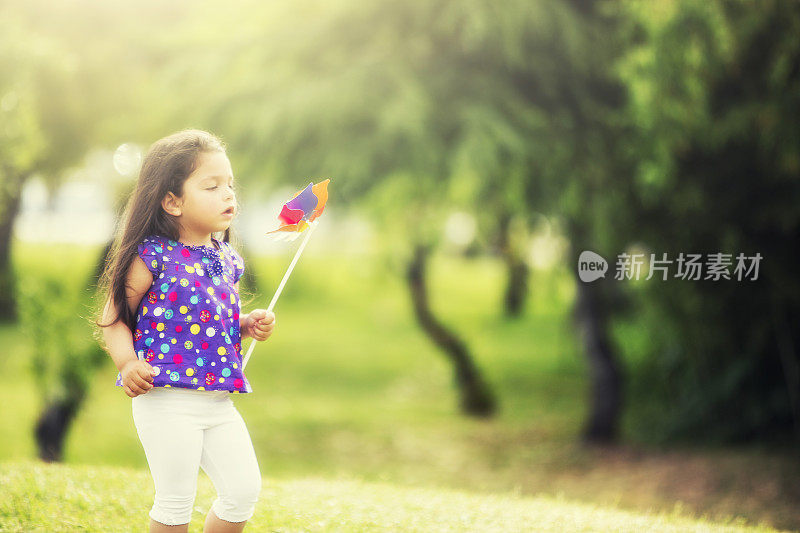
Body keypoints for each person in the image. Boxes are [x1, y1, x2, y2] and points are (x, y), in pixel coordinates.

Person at [94, 129, 275, 533]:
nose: (229, 194)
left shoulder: (225, 257)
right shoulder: (153, 255)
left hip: (217, 400)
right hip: (165, 397)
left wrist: (247, 325)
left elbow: (215, 322)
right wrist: (126, 363)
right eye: (212, 186)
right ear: (172, 201)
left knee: (242, 490)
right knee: (176, 500)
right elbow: (114, 317)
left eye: (230, 184)